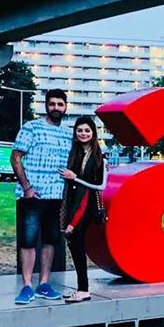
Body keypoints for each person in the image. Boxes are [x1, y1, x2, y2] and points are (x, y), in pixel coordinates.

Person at [11, 88, 73, 305]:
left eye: (60, 104)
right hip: (33, 197)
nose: (56, 108)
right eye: (52, 104)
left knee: (51, 241)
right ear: (46, 105)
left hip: (57, 197)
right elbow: (16, 157)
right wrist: (26, 187)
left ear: (66, 107)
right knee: (28, 241)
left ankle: (44, 284)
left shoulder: (68, 134)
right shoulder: (32, 128)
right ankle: (27, 286)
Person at [59, 115, 108, 303]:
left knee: (75, 238)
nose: (83, 133)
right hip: (73, 203)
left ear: (93, 133)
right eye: (80, 130)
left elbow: (101, 185)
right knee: (73, 242)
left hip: (88, 205)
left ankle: (83, 289)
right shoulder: (74, 153)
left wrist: (75, 178)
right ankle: (81, 287)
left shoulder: (99, 157)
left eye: (87, 130)